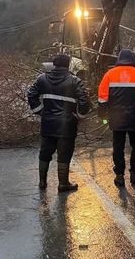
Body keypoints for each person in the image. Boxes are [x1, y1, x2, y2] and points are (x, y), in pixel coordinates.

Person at [28, 54, 90, 192]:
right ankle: (63, 184)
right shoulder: (75, 81)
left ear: (54, 64)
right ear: (68, 65)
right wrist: (80, 115)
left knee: (45, 153)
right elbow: (85, 100)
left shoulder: (42, 79)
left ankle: (42, 182)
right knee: (64, 154)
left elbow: (31, 94)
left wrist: (40, 111)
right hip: (67, 125)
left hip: (48, 123)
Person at [98, 49, 135, 187]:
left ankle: (119, 175)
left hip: (116, 118)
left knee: (118, 146)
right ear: (133, 60)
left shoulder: (109, 75)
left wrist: (103, 116)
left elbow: (102, 98)